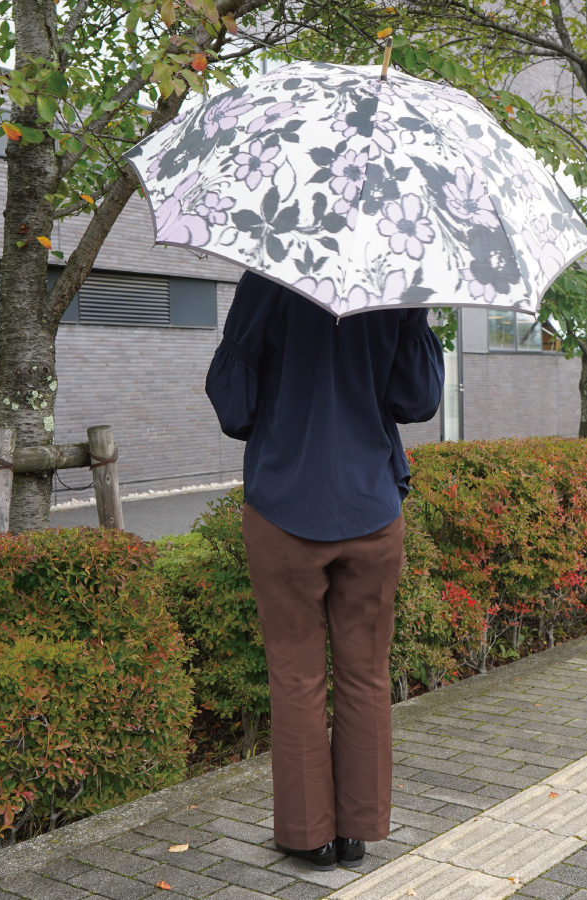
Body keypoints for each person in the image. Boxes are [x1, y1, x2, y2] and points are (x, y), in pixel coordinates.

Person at [205, 271, 444, 872]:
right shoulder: (399, 276)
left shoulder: (270, 273)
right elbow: (417, 401)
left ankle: (309, 836)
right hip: (371, 505)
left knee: (295, 677)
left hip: (285, 503)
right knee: (366, 674)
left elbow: (234, 407)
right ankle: (358, 831)